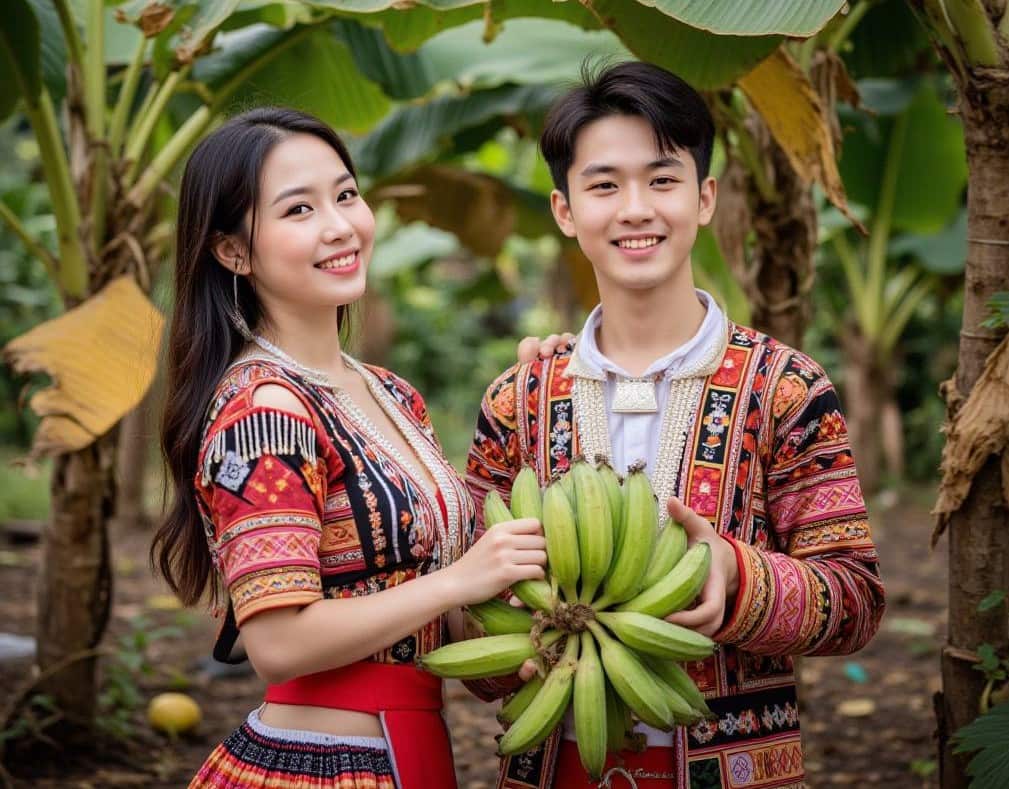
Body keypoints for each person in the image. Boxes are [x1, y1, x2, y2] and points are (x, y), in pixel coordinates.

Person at [466, 62, 886, 789]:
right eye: (604, 186)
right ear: (564, 210)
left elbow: (854, 601)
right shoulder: (519, 399)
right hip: (554, 766)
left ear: (704, 198)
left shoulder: (784, 387)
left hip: (738, 768)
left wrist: (736, 574)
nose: (635, 209)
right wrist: (514, 646)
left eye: (662, 180)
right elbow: (467, 608)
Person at [150, 107, 553, 789]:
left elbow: (433, 609)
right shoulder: (265, 411)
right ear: (232, 251)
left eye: (345, 195)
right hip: (319, 764)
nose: (340, 225)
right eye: (299, 209)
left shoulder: (391, 395)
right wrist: (459, 580)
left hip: (411, 747)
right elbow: (277, 644)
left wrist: (549, 391)